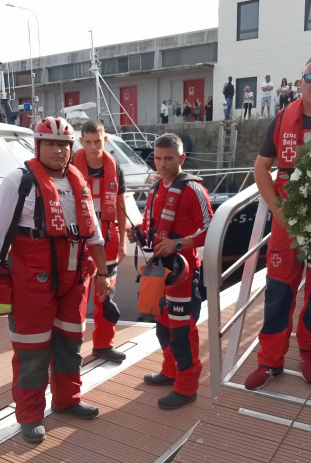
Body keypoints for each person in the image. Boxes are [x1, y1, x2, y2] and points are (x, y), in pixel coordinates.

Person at [0, 116, 111, 442]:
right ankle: (30, 415)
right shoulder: (20, 181)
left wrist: (103, 273)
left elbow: (94, 233)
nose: (58, 151)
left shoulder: (78, 181)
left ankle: (67, 400)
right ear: (38, 145)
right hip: (32, 281)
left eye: (63, 145)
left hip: (75, 279)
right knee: (32, 351)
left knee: (70, 343)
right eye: (51, 144)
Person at [247, 55, 311, 389]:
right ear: (300, 81)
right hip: (287, 220)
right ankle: (269, 360)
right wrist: (278, 211)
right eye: (310, 77)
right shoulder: (280, 120)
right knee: (278, 291)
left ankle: (308, 352)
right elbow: (262, 168)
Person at [134, 133, 213, 410]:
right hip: (160, 270)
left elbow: (210, 229)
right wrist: (140, 236)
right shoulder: (157, 188)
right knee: (163, 326)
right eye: (157, 158)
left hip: (183, 269)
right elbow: (149, 225)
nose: (162, 164)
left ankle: (187, 387)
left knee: (182, 332)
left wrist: (178, 243)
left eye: (168, 158)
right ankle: (170, 372)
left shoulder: (193, 191)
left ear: (181, 158)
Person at [74, 120, 128, 363]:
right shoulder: (70, 167)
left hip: (108, 239)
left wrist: (124, 242)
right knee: (76, 300)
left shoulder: (115, 167)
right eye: (88, 142)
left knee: (106, 296)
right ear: (81, 142)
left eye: (98, 141)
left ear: (105, 139)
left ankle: (103, 345)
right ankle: (71, 350)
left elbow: (120, 206)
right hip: (79, 241)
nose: (94, 146)